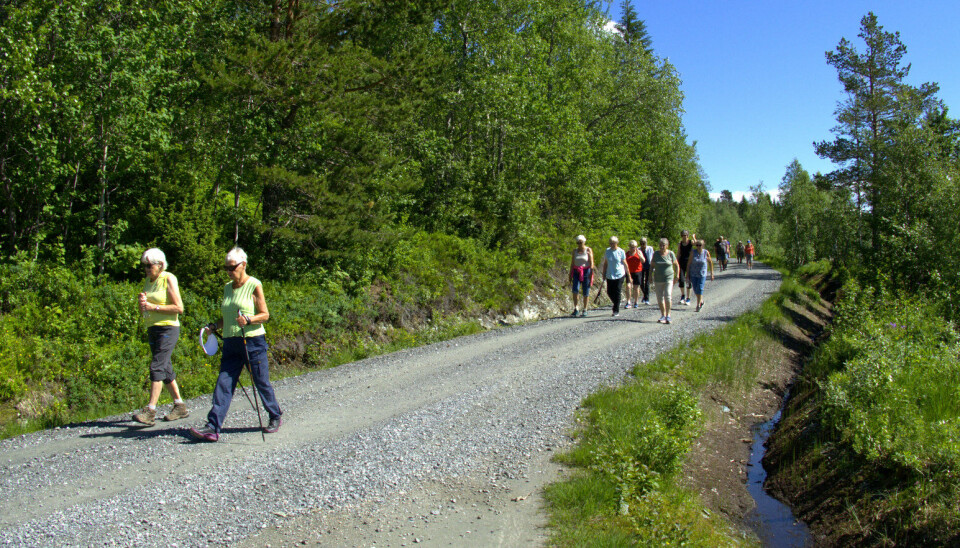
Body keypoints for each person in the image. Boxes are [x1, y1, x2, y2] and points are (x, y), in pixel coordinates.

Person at [190, 247, 283, 442]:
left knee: (261, 382)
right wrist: (214, 326)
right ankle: (213, 427)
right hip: (231, 341)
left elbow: (265, 315)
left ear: (244, 265)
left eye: (232, 267)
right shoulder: (226, 287)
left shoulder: (254, 285)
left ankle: (275, 415)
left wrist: (249, 320)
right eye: (226, 268)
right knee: (223, 383)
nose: (229, 271)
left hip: (252, 341)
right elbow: (228, 318)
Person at [133, 248, 189, 425]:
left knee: (157, 366)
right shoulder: (148, 281)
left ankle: (150, 410)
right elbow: (148, 305)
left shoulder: (168, 278)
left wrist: (153, 307)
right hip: (153, 328)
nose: (147, 269)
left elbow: (179, 308)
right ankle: (179, 405)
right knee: (164, 367)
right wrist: (143, 305)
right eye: (145, 266)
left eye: (150, 266)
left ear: (160, 264)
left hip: (168, 328)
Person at [652, 238, 680, 324]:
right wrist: (650, 276)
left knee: (667, 296)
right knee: (660, 298)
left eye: (663, 245)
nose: (661, 247)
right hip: (658, 279)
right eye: (660, 245)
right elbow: (651, 266)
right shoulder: (656, 254)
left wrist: (677, 275)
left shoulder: (671, 254)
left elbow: (676, 265)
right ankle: (663, 315)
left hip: (668, 278)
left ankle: (668, 315)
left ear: (667, 246)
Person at [599, 236, 628, 317]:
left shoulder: (621, 251)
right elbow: (605, 263)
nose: (612, 244)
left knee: (617, 291)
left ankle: (616, 310)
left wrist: (628, 275)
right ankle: (617, 302)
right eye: (610, 243)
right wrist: (603, 273)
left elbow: (625, 263)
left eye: (613, 243)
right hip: (610, 274)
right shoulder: (607, 251)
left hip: (619, 274)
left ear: (617, 243)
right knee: (609, 292)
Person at [569, 235, 594, 317]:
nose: (579, 244)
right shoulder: (575, 251)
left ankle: (585, 309)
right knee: (575, 289)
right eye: (578, 242)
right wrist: (570, 273)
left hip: (586, 271)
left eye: (581, 242)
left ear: (584, 242)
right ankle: (576, 308)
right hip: (576, 271)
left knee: (586, 290)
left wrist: (591, 273)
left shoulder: (588, 250)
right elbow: (572, 263)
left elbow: (591, 262)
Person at [686, 239, 715, 312]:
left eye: (700, 245)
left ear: (703, 245)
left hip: (702, 274)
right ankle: (701, 300)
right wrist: (687, 274)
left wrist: (712, 273)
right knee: (695, 289)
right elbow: (689, 263)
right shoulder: (693, 252)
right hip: (693, 274)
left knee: (700, 288)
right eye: (697, 245)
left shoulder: (706, 253)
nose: (698, 246)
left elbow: (710, 262)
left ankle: (698, 304)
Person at [624, 240, 644, 309]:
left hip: (637, 272)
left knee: (636, 288)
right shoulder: (627, 254)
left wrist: (639, 255)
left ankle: (636, 302)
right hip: (629, 272)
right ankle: (628, 302)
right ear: (629, 247)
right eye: (632, 247)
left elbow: (643, 261)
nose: (633, 248)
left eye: (635, 247)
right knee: (628, 286)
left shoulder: (639, 252)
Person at [676, 230, 693, 306]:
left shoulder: (690, 242)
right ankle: (683, 296)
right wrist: (676, 262)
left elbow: (696, 244)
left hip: (689, 263)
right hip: (681, 263)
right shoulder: (680, 244)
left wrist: (694, 238)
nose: (684, 236)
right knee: (681, 280)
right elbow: (678, 253)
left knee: (689, 280)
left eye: (685, 235)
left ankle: (688, 298)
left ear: (687, 236)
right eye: (683, 235)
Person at [639, 238, 654, 305]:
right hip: (641, 267)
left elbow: (652, 257)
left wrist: (653, 267)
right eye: (641, 243)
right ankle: (645, 295)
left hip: (648, 266)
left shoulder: (650, 248)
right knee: (641, 282)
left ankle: (647, 298)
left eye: (644, 243)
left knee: (647, 282)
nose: (643, 245)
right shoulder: (638, 250)